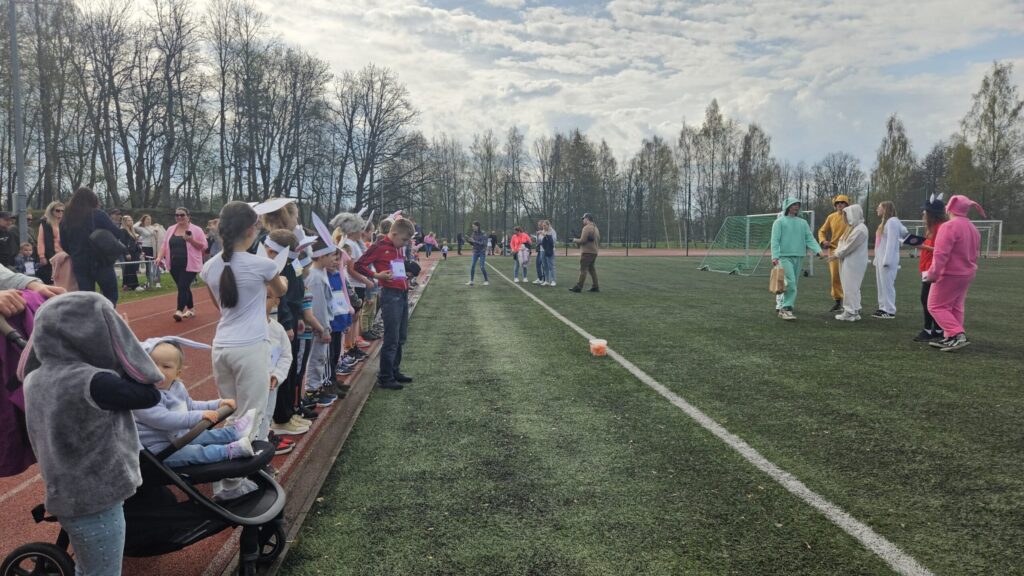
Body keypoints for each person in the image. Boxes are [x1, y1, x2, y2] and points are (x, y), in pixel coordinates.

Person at [21, 292, 163, 576]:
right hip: (97, 497)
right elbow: (150, 394)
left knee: (89, 567)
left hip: (66, 491)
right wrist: (122, 345)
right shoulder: (94, 382)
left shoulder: (34, 378)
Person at [200, 201, 286, 500]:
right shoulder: (263, 265)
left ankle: (226, 477)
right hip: (250, 347)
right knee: (251, 416)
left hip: (222, 346)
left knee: (232, 414)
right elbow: (280, 290)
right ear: (251, 230)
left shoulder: (209, 267)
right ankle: (232, 485)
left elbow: (220, 304)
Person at [134, 340, 256, 467]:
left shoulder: (176, 387)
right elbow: (164, 419)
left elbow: (190, 406)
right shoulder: (143, 396)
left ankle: (234, 432)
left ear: (177, 373)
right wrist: (199, 416)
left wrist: (217, 404)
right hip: (160, 450)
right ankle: (230, 451)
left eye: (166, 367)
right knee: (196, 452)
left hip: (178, 436)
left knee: (205, 435)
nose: (158, 370)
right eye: (152, 364)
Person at [355, 217, 415, 390]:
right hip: (390, 294)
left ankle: (394, 370)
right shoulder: (379, 246)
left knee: (401, 336)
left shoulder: (397, 247)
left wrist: (405, 274)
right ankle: (385, 376)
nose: (405, 243)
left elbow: (396, 267)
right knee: (391, 337)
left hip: (402, 292)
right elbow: (359, 265)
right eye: (404, 240)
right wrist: (376, 276)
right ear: (394, 234)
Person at [925, 195, 985, 352]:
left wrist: (933, 274)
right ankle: (952, 336)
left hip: (950, 273)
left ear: (951, 208)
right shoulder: (973, 228)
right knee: (956, 306)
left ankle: (956, 334)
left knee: (935, 306)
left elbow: (941, 254)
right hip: (967, 272)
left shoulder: (949, 226)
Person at [60, 186, 122, 304]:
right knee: (110, 295)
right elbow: (117, 233)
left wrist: (75, 253)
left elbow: (64, 244)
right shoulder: (98, 214)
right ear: (93, 200)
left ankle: (90, 315)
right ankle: (107, 314)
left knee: (87, 299)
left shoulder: (66, 218)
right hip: (101, 261)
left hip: (80, 262)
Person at [770, 198, 823, 320]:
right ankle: (786, 309)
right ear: (787, 206)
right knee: (791, 283)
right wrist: (775, 256)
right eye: (793, 204)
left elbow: (809, 238)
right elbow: (775, 240)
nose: (796, 207)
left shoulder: (803, 223)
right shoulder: (779, 222)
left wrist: (818, 250)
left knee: (793, 284)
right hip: (784, 257)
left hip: (799, 256)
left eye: (797, 205)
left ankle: (783, 305)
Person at [301, 237, 338, 407]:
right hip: (318, 325)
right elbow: (318, 307)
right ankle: (312, 391)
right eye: (331, 255)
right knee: (316, 358)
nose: (333, 259)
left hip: (321, 324)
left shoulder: (320, 272)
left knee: (320, 357)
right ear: (321, 256)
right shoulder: (315, 277)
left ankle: (316, 386)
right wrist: (323, 329)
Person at [159, 207, 208, 321]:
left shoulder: (196, 230)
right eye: (177, 215)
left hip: (190, 264)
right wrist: (159, 257)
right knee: (184, 287)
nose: (179, 217)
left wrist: (191, 240)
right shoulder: (171, 229)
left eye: (182, 215)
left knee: (182, 286)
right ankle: (191, 309)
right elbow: (164, 245)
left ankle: (179, 310)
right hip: (174, 264)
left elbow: (204, 247)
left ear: (188, 216)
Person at [914, 195, 949, 343]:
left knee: (928, 299)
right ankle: (937, 329)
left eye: (925, 211)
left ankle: (930, 329)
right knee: (928, 299)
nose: (923, 213)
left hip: (934, 269)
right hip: (927, 267)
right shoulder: (932, 228)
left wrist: (923, 246)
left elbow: (942, 250)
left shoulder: (941, 228)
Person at [828, 204, 868, 322]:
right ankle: (854, 310)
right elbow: (842, 242)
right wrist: (837, 252)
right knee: (852, 286)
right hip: (849, 261)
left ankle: (849, 311)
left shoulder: (860, 229)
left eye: (846, 215)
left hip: (853, 262)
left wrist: (836, 255)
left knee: (850, 286)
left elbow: (849, 246)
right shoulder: (853, 228)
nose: (844, 217)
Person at [872, 201, 908, 319]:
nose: (877, 209)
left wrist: (887, 260)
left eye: (879, 207)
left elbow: (891, 242)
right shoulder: (886, 222)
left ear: (885, 209)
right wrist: (877, 258)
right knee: (881, 284)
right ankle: (883, 307)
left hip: (888, 259)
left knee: (887, 284)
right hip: (881, 258)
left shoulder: (892, 222)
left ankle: (890, 310)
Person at [818, 195, 851, 312]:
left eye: (842, 202)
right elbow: (822, 231)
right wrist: (823, 241)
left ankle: (852, 303)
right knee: (835, 277)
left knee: (850, 277)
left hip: (849, 250)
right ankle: (838, 302)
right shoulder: (831, 217)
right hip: (834, 251)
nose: (839, 204)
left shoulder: (852, 217)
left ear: (847, 204)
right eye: (837, 203)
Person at [569, 213, 600, 293]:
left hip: (587, 252)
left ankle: (578, 287)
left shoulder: (586, 228)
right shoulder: (595, 228)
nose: (583, 220)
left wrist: (574, 240)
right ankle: (595, 286)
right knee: (592, 269)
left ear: (587, 219)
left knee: (583, 269)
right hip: (594, 251)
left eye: (583, 219)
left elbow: (582, 240)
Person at [35, 202, 64, 285]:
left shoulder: (64, 223)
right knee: (51, 280)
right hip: (50, 255)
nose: (60, 212)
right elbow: (41, 240)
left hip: (63, 255)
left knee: (62, 280)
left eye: (62, 211)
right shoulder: (45, 223)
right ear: (51, 211)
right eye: (57, 210)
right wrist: (42, 256)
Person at [134, 214, 162, 289]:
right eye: (147, 219)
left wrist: (157, 227)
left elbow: (158, 231)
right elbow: (134, 227)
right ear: (144, 220)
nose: (149, 221)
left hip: (154, 247)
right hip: (146, 247)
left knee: (156, 263)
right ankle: (149, 281)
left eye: (150, 219)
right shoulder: (141, 228)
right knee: (148, 265)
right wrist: (140, 221)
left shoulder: (152, 227)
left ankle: (158, 282)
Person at [120, 215, 144, 292]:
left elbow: (135, 243)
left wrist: (140, 251)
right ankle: (134, 285)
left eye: (131, 220)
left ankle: (126, 284)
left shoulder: (131, 231)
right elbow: (123, 243)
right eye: (128, 220)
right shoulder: (123, 230)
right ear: (124, 222)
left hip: (134, 252)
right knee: (131, 268)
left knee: (129, 269)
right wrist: (126, 253)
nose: (131, 222)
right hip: (129, 252)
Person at [465, 221, 489, 287]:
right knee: (472, 266)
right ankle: (471, 281)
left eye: (474, 226)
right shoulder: (473, 233)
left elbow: (483, 243)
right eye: (472, 226)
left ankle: (486, 281)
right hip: (475, 251)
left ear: (478, 226)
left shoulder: (483, 233)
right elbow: (473, 243)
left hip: (482, 252)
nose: (473, 228)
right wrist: (469, 241)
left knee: (482, 267)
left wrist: (474, 241)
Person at [541, 220, 557, 287]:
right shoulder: (543, 231)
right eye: (543, 225)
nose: (543, 227)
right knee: (545, 266)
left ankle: (553, 280)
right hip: (542, 250)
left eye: (545, 225)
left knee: (551, 265)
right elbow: (541, 240)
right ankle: (547, 280)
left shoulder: (552, 231)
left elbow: (553, 241)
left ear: (548, 225)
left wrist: (546, 235)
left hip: (550, 250)